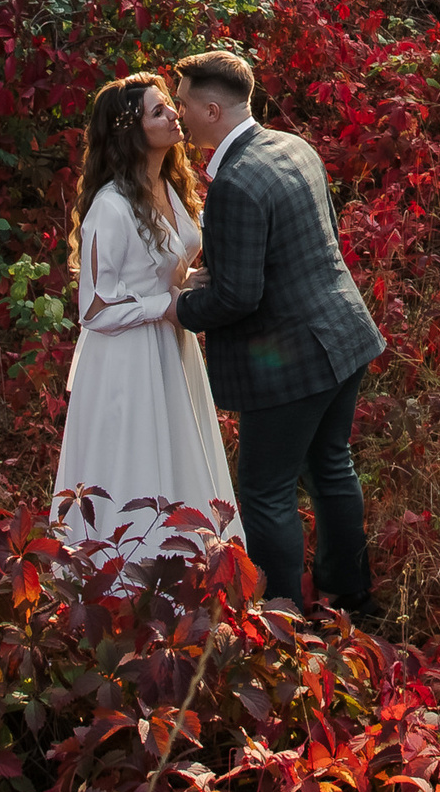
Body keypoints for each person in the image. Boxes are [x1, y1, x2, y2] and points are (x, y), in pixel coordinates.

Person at [168, 49, 385, 615]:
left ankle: (282, 619)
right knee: (332, 466)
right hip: (345, 334)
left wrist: (178, 307)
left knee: (266, 494)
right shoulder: (295, 146)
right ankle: (350, 594)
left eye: (185, 101)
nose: (178, 111)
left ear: (212, 109)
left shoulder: (236, 183)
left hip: (291, 362)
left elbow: (240, 297)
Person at [52, 71, 244, 570]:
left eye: (170, 106)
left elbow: (171, 265)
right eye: (159, 111)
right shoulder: (110, 208)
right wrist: (170, 305)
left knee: (180, 452)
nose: (175, 115)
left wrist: (195, 286)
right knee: (135, 459)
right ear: (130, 131)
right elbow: (94, 308)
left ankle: (192, 570)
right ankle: (126, 577)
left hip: (171, 347)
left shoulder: (170, 186)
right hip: (128, 356)